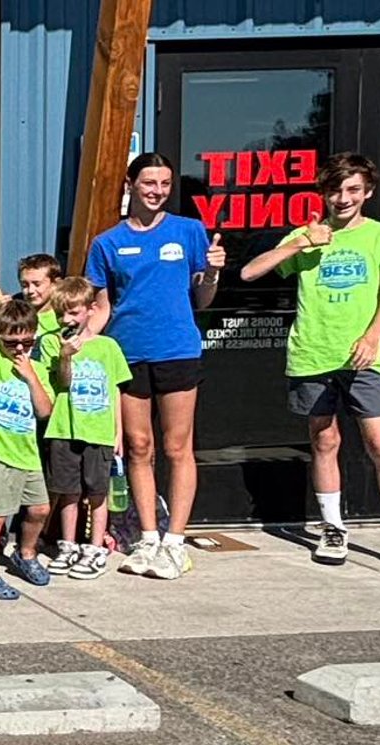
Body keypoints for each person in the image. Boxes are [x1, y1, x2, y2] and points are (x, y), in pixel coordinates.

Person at [238, 152, 380, 576]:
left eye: (353, 189)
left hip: (362, 356)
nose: (343, 198)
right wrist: (302, 243)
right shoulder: (307, 234)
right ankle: (332, 528)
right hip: (313, 353)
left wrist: (372, 337)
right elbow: (249, 274)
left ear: (368, 192)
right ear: (324, 193)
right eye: (335, 190)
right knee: (324, 440)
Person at [84, 152, 227, 581]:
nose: (157, 191)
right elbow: (102, 306)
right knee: (138, 447)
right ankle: (148, 537)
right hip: (128, 354)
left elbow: (202, 299)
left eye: (165, 184)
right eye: (149, 183)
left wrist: (213, 274)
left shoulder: (189, 231)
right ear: (130, 185)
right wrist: (80, 340)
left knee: (177, 447)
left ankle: (175, 542)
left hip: (177, 350)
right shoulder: (106, 243)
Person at [0, 263, 55, 601]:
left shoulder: (35, 366)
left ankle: (25, 553)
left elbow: (45, 411)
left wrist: (30, 375)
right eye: (11, 342)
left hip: (25, 450)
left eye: (26, 342)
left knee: (40, 509)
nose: (18, 349)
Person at [38, 278, 131, 581]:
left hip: (98, 430)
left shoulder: (108, 347)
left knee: (97, 492)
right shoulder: (52, 342)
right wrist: (65, 355)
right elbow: (62, 382)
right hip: (65, 428)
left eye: (73, 313)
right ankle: (68, 546)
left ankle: (95, 548)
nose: (67, 320)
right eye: (61, 314)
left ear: (91, 310)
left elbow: (115, 389)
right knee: (68, 492)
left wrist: (118, 431)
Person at [16, 255, 64, 335]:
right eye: (24, 285)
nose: (30, 290)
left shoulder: (64, 317)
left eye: (37, 284)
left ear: (56, 284)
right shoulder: (16, 316)